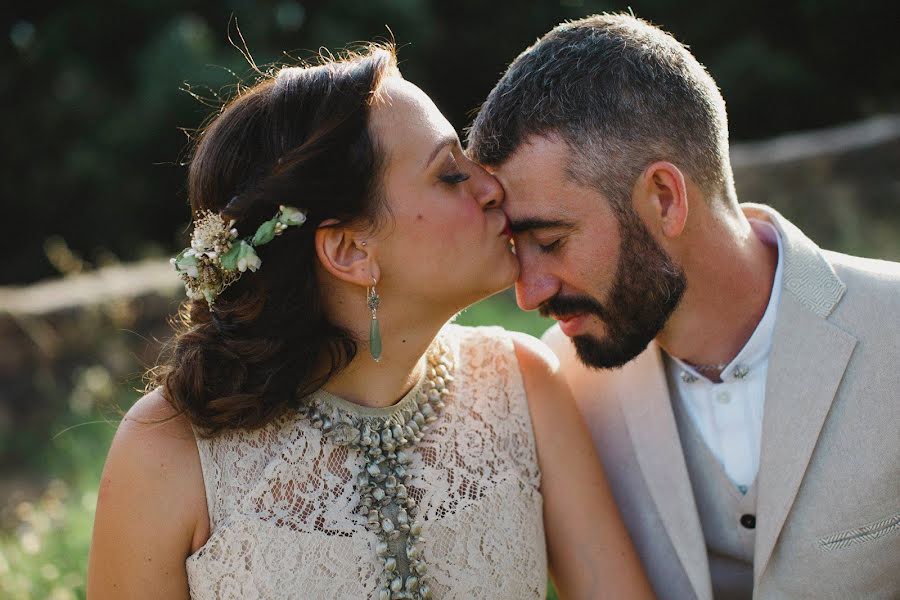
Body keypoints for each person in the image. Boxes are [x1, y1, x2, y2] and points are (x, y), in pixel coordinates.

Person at [86, 45, 654, 599]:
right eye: (449, 175)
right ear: (351, 251)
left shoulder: (525, 387)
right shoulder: (168, 450)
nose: (490, 187)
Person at [467, 13, 900, 600]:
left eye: (551, 242)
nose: (528, 292)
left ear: (665, 199)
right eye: (518, 250)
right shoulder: (557, 389)